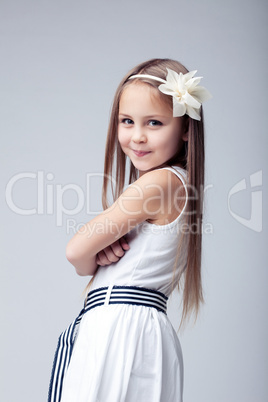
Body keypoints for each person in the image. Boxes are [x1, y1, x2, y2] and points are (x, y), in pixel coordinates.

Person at [48, 58, 211, 402]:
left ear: (185, 128)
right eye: (127, 121)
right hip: (129, 328)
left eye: (154, 122)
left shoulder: (160, 182)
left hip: (121, 332)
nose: (137, 135)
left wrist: (90, 260)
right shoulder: (173, 184)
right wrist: (97, 252)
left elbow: (76, 251)